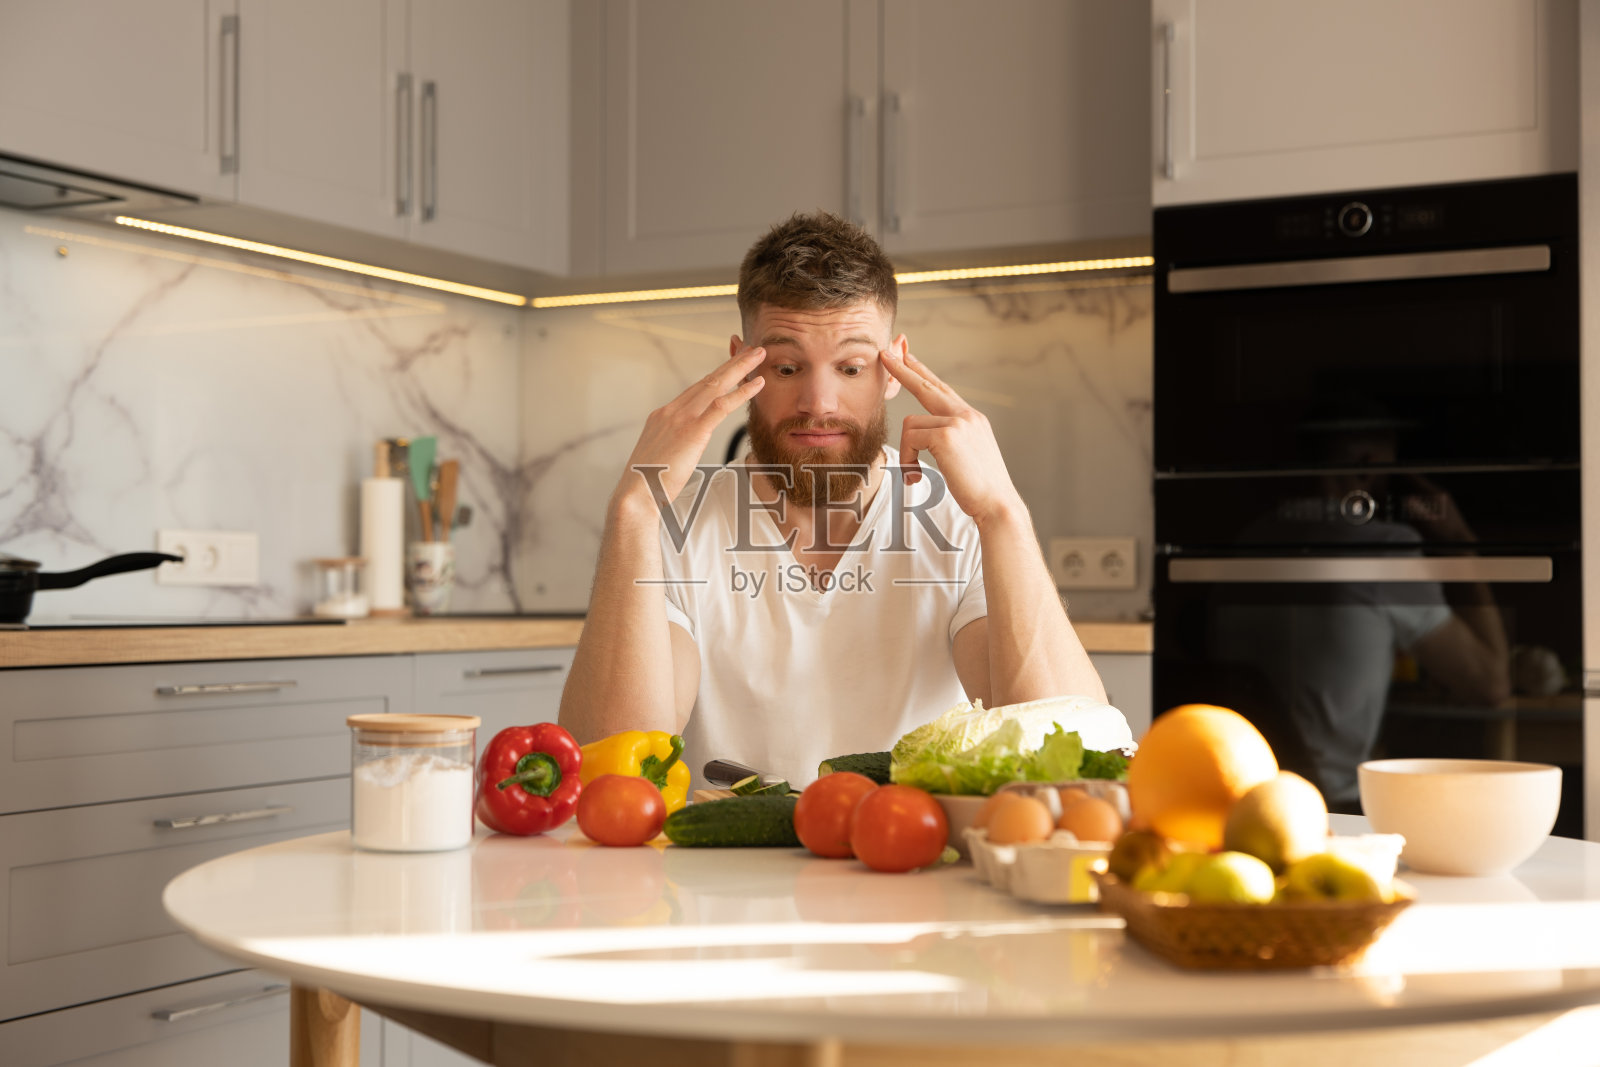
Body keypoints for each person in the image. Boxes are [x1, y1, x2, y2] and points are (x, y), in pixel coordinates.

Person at [558, 212, 1114, 788]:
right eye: (787, 367)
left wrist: (1003, 514)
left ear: (893, 367)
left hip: (914, 866)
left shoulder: (960, 524)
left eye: (851, 367)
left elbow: (1069, 757)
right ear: (738, 363)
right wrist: (633, 509)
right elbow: (612, 774)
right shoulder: (673, 526)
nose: (818, 402)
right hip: (714, 876)